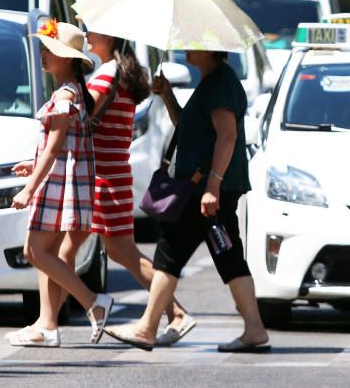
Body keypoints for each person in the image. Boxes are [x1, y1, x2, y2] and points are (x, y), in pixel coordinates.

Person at [105, 50, 270, 352]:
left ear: (210, 51)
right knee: (227, 257)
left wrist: (213, 186)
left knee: (170, 254)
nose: (188, 49)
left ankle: (147, 327)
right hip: (204, 189)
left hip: (204, 191)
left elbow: (228, 135)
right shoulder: (211, 82)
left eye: (195, 45)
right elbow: (189, 127)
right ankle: (255, 329)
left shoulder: (220, 83)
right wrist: (167, 96)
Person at [54, 32, 197, 346]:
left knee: (102, 252)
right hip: (111, 173)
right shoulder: (123, 74)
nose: (87, 36)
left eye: (92, 32)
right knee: (87, 251)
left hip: (101, 177)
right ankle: (49, 322)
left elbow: (80, 116)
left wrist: (69, 86)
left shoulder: (106, 75)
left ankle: (173, 313)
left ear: (109, 37)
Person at [7, 19, 113, 347]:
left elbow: (54, 148)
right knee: (48, 253)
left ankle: (94, 302)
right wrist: (33, 164)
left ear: (66, 58)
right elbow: (59, 146)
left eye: (48, 50)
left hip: (59, 187)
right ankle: (47, 325)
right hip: (63, 183)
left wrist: (29, 189)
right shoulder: (71, 91)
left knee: (35, 251)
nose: (41, 55)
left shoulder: (66, 94)